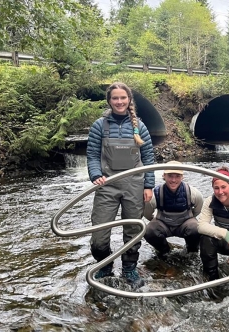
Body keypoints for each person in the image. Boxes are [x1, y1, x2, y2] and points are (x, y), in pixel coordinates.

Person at [86, 82, 155, 288]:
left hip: (134, 185)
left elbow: (149, 157)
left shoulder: (139, 127)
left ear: (129, 100)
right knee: (99, 236)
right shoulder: (99, 125)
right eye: (115, 98)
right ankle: (105, 264)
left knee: (133, 230)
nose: (119, 102)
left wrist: (148, 185)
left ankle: (129, 269)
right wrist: (95, 174)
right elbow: (91, 155)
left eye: (123, 98)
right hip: (107, 185)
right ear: (109, 101)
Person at [143, 161, 203, 257]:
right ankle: (165, 250)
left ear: (182, 177)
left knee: (196, 228)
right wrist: (155, 220)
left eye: (177, 176)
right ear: (164, 176)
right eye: (170, 176)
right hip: (163, 224)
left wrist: (191, 219)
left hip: (185, 223)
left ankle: (191, 251)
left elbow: (198, 209)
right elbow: (147, 213)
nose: (173, 180)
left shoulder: (193, 193)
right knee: (149, 231)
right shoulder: (156, 194)